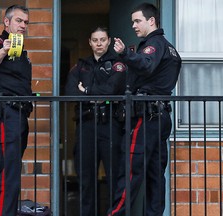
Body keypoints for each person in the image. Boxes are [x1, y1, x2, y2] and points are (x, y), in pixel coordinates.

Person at [108, 3, 181, 216]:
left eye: (137, 21)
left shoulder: (154, 44)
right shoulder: (169, 47)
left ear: (151, 21)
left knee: (130, 170)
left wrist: (124, 54)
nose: (133, 25)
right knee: (155, 175)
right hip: (160, 116)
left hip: (146, 115)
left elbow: (146, 64)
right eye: (132, 21)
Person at [65, 26, 127, 216]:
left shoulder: (118, 64)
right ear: (90, 42)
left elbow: (111, 90)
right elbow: (70, 93)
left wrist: (86, 91)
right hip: (86, 124)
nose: (99, 43)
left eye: (102, 39)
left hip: (110, 125)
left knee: (114, 179)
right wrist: (89, 94)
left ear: (108, 41)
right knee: (86, 179)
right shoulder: (81, 66)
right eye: (95, 40)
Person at [0, 5, 33, 216]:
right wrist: (4, 48)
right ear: (7, 22)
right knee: (9, 172)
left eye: (26, 22)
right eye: (19, 21)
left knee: (3, 168)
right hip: (5, 112)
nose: (23, 25)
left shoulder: (21, 51)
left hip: (19, 114)